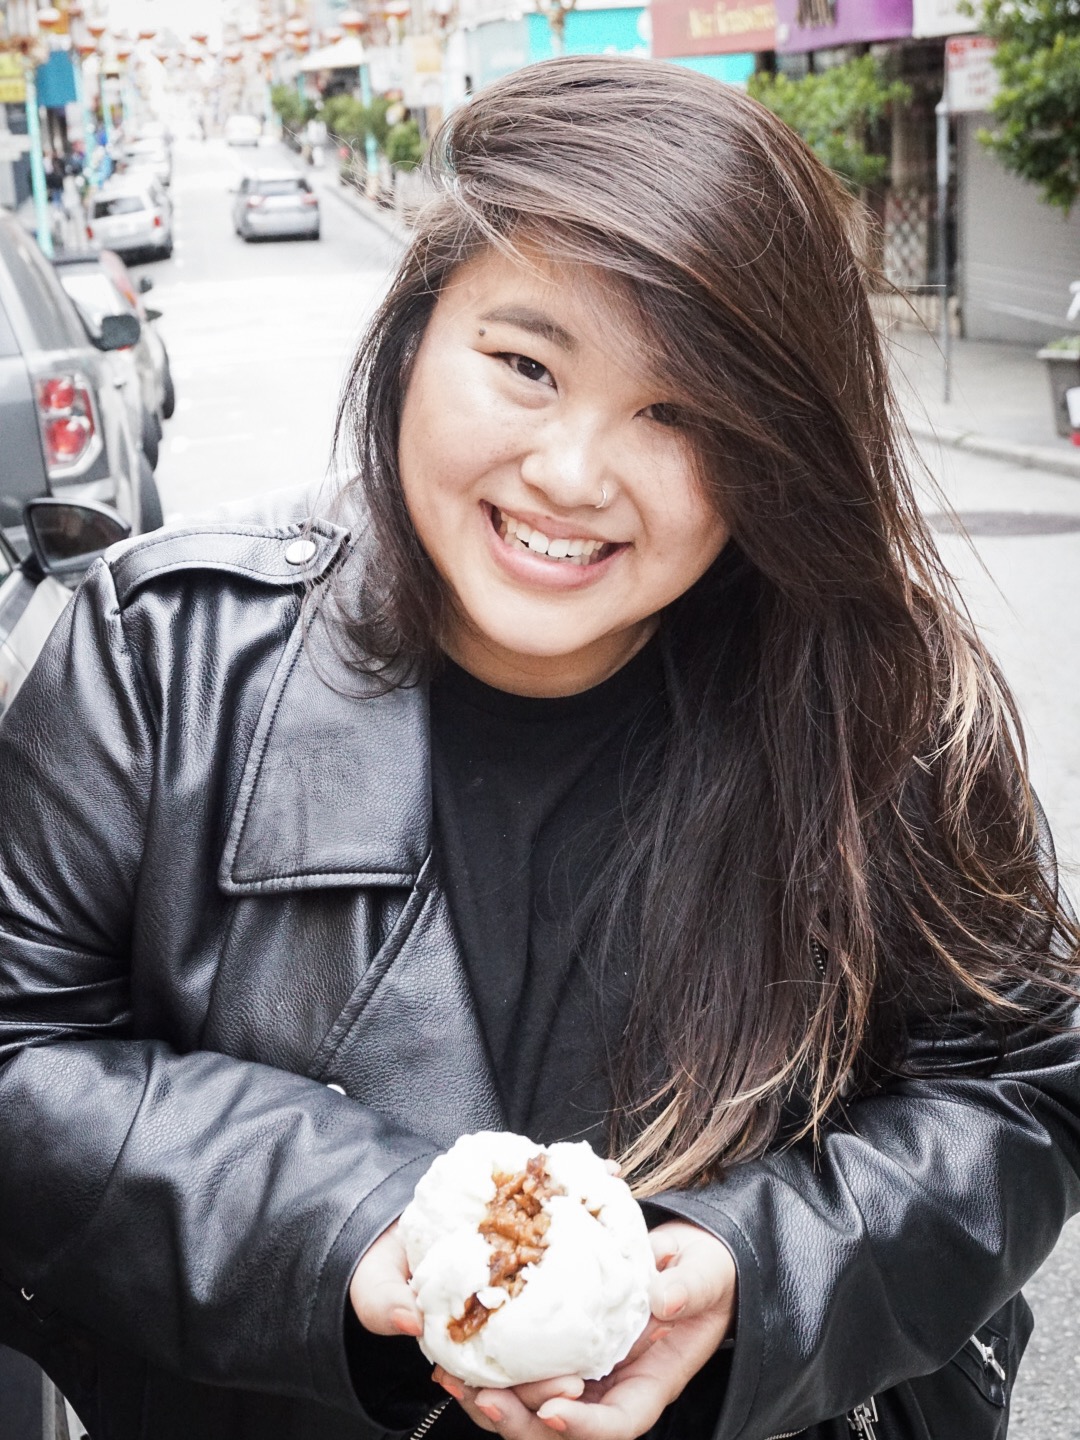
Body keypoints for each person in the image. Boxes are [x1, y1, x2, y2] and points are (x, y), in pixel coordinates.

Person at [0, 55, 1078, 1440]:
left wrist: (756, 1273)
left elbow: (1019, 1085)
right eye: (524, 365)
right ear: (412, 334)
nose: (573, 475)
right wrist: (351, 1232)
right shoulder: (165, 660)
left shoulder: (879, 702)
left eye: (678, 412)